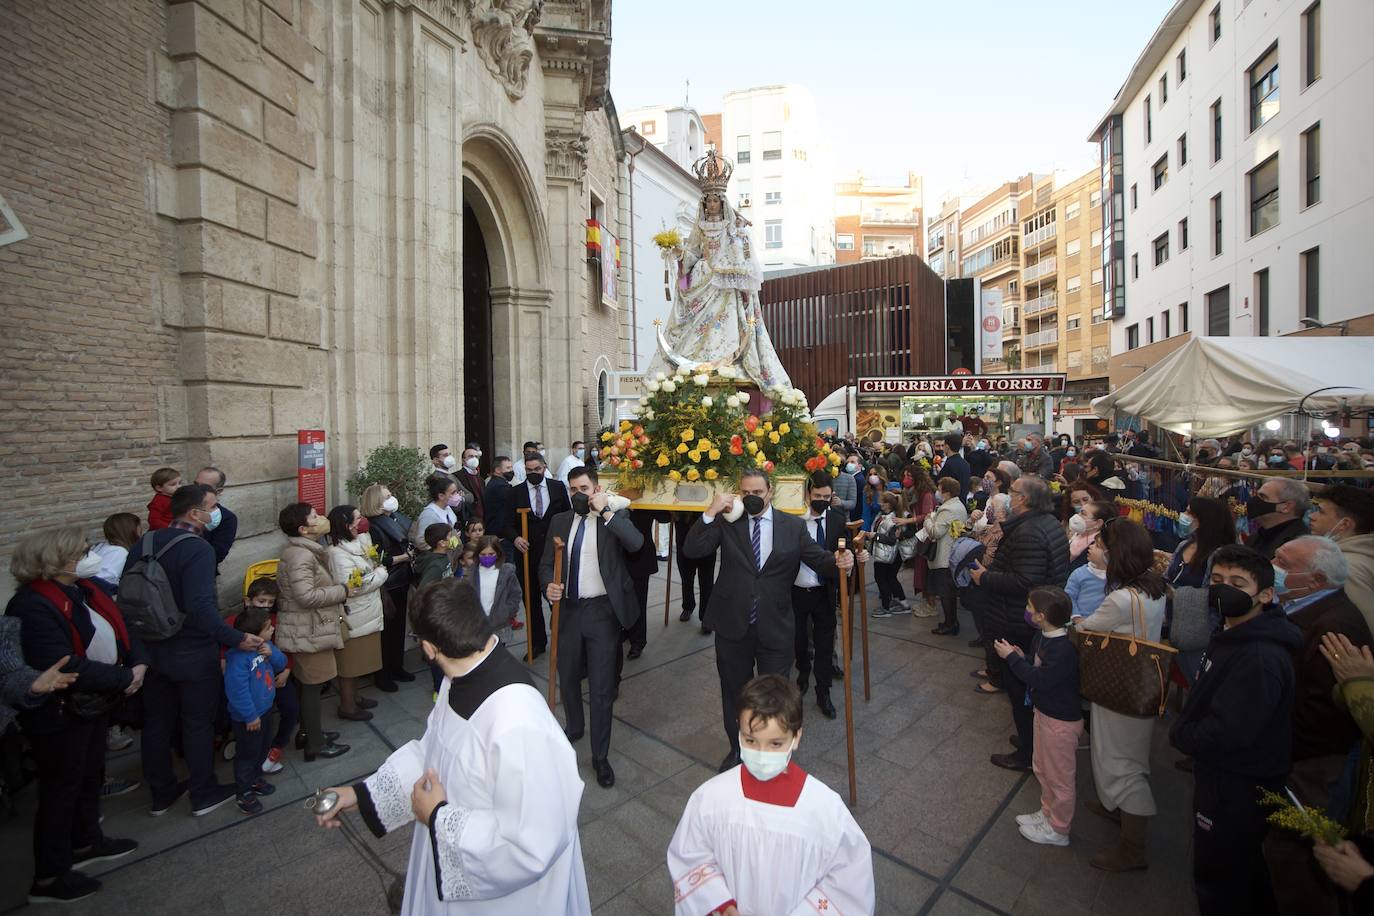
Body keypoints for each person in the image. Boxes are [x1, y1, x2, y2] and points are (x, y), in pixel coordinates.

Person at [314, 580, 591, 913]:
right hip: (449, 858)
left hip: (507, 900)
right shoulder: (458, 675)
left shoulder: (518, 722)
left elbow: (534, 843)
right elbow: (433, 752)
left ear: (429, 648)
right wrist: (358, 794)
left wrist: (438, 816)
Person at [684, 470, 859, 772]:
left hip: (775, 626)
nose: (751, 498)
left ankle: (774, 751)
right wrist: (711, 512)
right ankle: (737, 750)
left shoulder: (792, 527)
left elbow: (819, 558)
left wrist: (842, 561)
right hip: (732, 625)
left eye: (758, 492)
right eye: (745, 493)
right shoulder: (729, 523)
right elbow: (693, 549)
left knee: (776, 696)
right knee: (734, 693)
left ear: (770, 492)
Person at [7, 528, 144, 904]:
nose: (90, 554)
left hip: (94, 704)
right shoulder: (33, 606)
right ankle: (49, 877)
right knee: (60, 790)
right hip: (60, 713)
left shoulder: (85, 590)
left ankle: (85, 841)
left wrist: (138, 663)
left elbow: (121, 626)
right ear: (56, 561)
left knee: (88, 775)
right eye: (83, 551)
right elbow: (64, 664)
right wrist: (123, 677)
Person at [665, 674, 874, 914]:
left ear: (796, 737)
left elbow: (850, 878)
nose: (762, 754)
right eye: (751, 740)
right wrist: (720, 904)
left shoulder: (825, 810)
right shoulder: (711, 798)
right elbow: (690, 854)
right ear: (739, 730)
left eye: (775, 744)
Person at [1169, 545, 1300, 915]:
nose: (1223, 588)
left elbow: (1232, 731)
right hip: (1223, 776)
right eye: (1217, 580)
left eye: (1238, 583)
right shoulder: (1233, 633)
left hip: (1238, 783)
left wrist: (1182, 735)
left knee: (1225, 876)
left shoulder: (1259, 656)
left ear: (1266, 595)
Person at [123, 484, 263, 817]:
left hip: (153, 646)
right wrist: (235, 638)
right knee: (197, 722)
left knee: (158, 722)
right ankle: (203, 791)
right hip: (191, 650)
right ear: (194, 512)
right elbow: (201, 608)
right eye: (212, 506)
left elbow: (128, 598)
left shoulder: (145, 542)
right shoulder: (197, 549)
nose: (217, 512)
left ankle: (162, 792)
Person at [1263, 536, 1373, 913]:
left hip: (1308, 765)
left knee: (1294, 856)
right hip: (1293, 755)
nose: (1272, 564)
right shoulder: (1304, 607)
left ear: (1316, 579)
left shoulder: (1335, 630)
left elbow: (1324, 715)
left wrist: (1275, 746)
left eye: (1283, 561)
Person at [644, 148, 793, 390]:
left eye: (715, 200)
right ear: (704, 203)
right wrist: (678, 254)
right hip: (702, 279)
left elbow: (743, 257)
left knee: (726, 322)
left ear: (722, 202)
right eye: (708, 200)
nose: (712, 204)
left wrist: (738, 241)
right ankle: (697, 361)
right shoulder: (700, 227)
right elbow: (692, 251)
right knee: (693, 325)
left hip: (725, 281)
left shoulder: (733, 227)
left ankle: (727, 362)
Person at [541, 466, 643, 788]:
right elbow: (545, 563)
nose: (578, 494)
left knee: (600, 688)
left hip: (601, 613)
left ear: (596, 488)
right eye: (572, 489)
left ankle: (600, 757)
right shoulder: (559, 521)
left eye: (584, 488)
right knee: (567, 676)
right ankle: (574, 727)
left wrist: (606, 513)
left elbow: (636, 544)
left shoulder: (614, 517)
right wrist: (548, 585)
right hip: (568, 611)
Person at [1077, 518, 1168, 872]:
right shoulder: (1152, 585)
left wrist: (1074, 619)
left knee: (1125, 766)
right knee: (1120, 755)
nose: (1092, 548)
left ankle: (1133, 846)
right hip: (1139, 684)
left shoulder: (1121, 599)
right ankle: (1114, 807)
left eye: (1099, 544)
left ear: (1117, 554)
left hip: (1121, 690)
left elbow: (1087, 628)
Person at [968, 475, 1069, 768]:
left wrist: (984, 577)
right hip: (1024, 615)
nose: (1009, 496)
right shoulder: (1045, 524)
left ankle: (1028, 752)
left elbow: (1026, 581)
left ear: (1024, 499)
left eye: (1012, 492)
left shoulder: (1029, 532)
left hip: (1017, 618)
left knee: (1019, 687)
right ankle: (1029, 740)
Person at [995, 587, 1081, 847]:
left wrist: (1012, 659)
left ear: (1042, 616)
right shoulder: (1043, 636)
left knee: (1060, 777)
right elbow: (1037, 663)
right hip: (1043, 713)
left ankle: (1059, 828)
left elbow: (1041, 679)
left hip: (1060, 721)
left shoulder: (1064, 648)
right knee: (1042, 767)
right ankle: (1047, 812)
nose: (1027, 611)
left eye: (1030, 608)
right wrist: (1024, 657)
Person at [275, 502, 354, 762]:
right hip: (308, 630)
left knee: (310, 685)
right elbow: (305, 596)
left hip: (311, 627)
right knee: (311, 686)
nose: (321, 518)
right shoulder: (300, 556)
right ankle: (315, 744)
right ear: (303, 528)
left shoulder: (304, 552)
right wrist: (341, 590)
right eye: (314, 516)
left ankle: (310, 733)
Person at [792, 472, 850, 720]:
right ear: (808, 494)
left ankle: (823, 690)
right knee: (799, 640)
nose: (822, 501)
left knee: (825, 644)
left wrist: (850, 562)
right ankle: (803, 674)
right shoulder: (793, 518)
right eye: (817, 496)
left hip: (824, 591)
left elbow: (844, 548)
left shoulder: (837, 517)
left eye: (827, 497)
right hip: (795, 591)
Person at [504, 450, 571, 659]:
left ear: (544, 468)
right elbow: (505, 523)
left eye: (537, 469)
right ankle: (537, 643)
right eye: (529, 470)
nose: (533, 473)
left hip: (554, 554)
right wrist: (515, 538)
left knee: (557, 599)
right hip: (527, 555)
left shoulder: (558, 488)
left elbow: (568, 516)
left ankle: (564, 640)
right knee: (531, 601)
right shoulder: (515, 493)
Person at [325, 505, 389, 723]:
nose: (361, 521)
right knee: (350, 665)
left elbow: (371, 561)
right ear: (346, 524)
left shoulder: (357, 543)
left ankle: (355, 697)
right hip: (355, 614)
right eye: (357, 518)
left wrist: (367, 543)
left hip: (368, 611)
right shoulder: (336, 554)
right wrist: (381, 573)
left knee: (360, 662)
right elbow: (355, 585)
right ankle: (348, 706)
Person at [223, 605, 287, 815]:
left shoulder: (266, 646)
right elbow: (237, 690)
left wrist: (272, 655)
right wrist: (250, 716)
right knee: (247, 753)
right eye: (268, 627)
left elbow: (281, 663)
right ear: (253, 635)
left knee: (262, 747)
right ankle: (243, 793)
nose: (272, 629)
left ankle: (254, 780)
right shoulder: (238, 659)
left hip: (266, 710)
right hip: (248, 718)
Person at [237, 578, 298, 776]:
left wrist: (287, 670)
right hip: (253, 683)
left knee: (291, 709)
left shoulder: (275, 622)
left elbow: (286, 647)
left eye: (270, 602)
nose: (266, 607)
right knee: (259, 724)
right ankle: (254, 765)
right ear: (248, 601)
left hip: (276, 675)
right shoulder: (235, 622)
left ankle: (276, 746)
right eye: (261, 601)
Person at [361, 483, 417, 691]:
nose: (392, 498)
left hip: (401, 579)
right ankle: (383, 673)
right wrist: (404, 557)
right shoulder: (373, 527)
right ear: (376, 502)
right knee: (387, 630)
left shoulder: (393, 518)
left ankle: (397, 665)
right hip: (387, 583)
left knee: (398, 627)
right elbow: (377, 558)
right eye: (387, 496)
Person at [1309, 484, 1374, 630]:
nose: (1311, 516)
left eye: (1320, 512)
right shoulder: (1360, 555)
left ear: (1344, 524)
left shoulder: (1345, 568)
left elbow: (1360, 626)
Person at [926, 477, 970, 637]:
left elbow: (935, 532)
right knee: (948, 593)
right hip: (953, 553)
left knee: (945, 594)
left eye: (939, 488)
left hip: (944, 555)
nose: (937, 492)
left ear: (946, 492)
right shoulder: (958, 505)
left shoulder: (947, 510)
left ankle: (950, 624)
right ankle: (950, 622)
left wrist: (928, 520)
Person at [459, 536, 521, 646]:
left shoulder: (507, 572)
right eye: (483, 554)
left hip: (500, 623)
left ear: (498, 553)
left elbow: (515, 594)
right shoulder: (472, 573)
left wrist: (507, 612)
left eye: (491, 554)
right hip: (478, 624)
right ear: (477, 554)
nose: (487, 557)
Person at [1167, 496, 1236, 590]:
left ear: (1204, 520)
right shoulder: (1183, 545)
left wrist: (1177, 595)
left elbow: (1208, 591)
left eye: (1189, 513)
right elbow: (1166, 576)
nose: (1183, 515)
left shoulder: (1217, 555)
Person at [869, 490, 912, 620]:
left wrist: (875, 537)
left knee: (883, 579)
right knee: (890, 578)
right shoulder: (886, 516)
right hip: (886, 554)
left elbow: (892, 540)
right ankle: (902, 602)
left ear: (888, 504)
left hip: (886, 555)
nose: (879, 503)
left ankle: (886, 607)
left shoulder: (891, 519)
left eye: (882, 501)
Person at [1246, 477, 1310, 559]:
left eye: (1263, 496)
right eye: (1256, 495)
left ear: (1286, 507)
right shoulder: (1261, 533)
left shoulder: (1298, 545)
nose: (1255, 500)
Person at [675, 510, 716, 633]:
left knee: (707, 582)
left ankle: (705, 618)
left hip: (706, 544)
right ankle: (688, 606)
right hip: (684, 542)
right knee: (686, 579)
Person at [193, 466, 237, 571]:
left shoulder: (226, 518)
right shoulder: (181, 507)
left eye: (204, 487)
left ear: (218, 491)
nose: (196, 490)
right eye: (195, 485)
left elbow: (217, 554)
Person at [91, 512, 141, 595]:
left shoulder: (103, 545)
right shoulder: (118, 552)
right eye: (139, 529)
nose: (140, 533)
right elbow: (104, 579)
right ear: (130, 530)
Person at [1065, 533, 1108, 618]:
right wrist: (1076, 616)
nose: (1091, 546)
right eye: (1093, 543)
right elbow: (1069, 597)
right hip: (1080, 623)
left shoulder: (1116, 577)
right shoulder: (1079, 574)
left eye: (1097, 546)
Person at [484, 455, 517, 558]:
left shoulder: (496, 483)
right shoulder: (500, 487)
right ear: (498, 470)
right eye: (508, 468)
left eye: (511, 467)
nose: (511, 471)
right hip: (501, 537)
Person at [1066, 498, 1111, 572]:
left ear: (1098, 523)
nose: (1077, 516)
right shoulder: (1077, 534)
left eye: (1083, 514)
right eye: (1079, 512)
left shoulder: (1097, 547)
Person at [415, 475, 461, 546]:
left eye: (456, 492)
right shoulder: (428, 515)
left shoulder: (447, 508)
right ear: (441, 496)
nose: (457, 495)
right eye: (453, 493)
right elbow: (421, 542)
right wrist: (447, 544)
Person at [937, 432, 972, 501]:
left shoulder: (949, 464)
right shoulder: (965, 463)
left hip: (952, 502)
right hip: (962, 501)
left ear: (947, 446)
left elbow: (941, 483)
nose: (942, 448)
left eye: (943, 445)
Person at [859, 465, 887, 532]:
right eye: (870, 474)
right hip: (874, 525)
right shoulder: (867, 492)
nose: (872, 476)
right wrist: (864, 532)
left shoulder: (891, 488)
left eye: (875, 474)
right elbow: (866, 514)